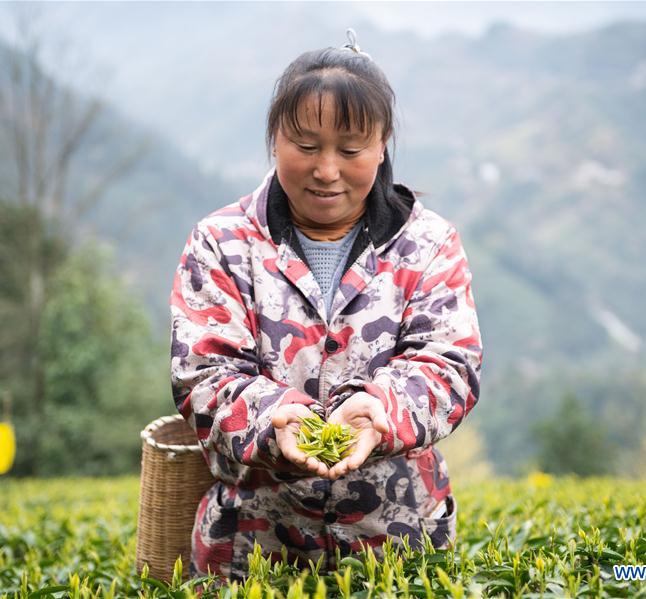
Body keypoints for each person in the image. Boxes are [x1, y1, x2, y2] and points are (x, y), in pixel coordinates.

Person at [170, 29, 483, 582]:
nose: (327, 170)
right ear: (275, 139)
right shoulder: (221, 244)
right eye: (307, 146)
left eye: (351, 149)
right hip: (251, 556)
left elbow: (449, 366)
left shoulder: (429, 246)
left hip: (399, 552)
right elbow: (203, 375)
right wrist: (273, 418)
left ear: (382, 144)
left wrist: (377, 411)